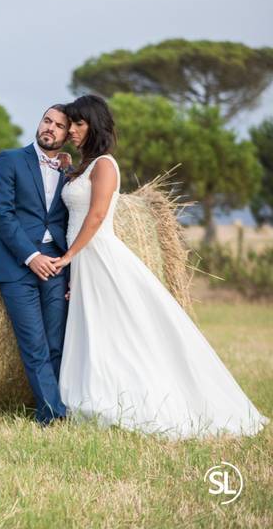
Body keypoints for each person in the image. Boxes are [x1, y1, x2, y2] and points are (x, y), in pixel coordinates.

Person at [51, 94, 268, 439]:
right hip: (84, 259)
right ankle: (92, 396)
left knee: (119, 331)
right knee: (95, 328)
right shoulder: (83, 166)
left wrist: (68, 256)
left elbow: (95, 216)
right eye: (71, 124)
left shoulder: (105, 164)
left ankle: (128, 399)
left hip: (98, 254)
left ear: (95, 127)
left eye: (79, 124)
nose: (73, 130)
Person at [0, 104, 71, 426]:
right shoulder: (10, 160)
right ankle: (54, 416)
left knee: (55, 342)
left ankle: (49, 406)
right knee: (33, 342)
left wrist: (70, 268)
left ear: (67, 135)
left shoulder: (68, 171)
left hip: (57, 262)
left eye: (59, 126)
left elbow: (73, 221)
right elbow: (2, 216)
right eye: (46, 121)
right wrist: (31, 257)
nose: (50, 128)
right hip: (17, 263)